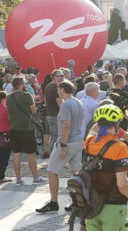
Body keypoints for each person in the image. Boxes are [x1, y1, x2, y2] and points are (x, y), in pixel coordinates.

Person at [83, 105, 128, 231]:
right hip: (113, 205)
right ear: (117, 125)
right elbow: (122, 184)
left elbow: (93, 131)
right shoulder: (119, 147)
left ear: (98, 123)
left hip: (91, 204)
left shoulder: (89, 141)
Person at [37, 80, 84, 214]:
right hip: (78, 141)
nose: (57, 91)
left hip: (67, 142)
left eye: (58, 89)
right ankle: (78, 202)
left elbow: (66, 126)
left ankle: (53, 202)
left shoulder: (65, 105)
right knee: (76, 172)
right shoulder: (78, 102)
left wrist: (63, 145)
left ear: (62, 89)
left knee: (52, 171)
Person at [7, 76, 43, 185]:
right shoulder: (26, 95)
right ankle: (36, 178)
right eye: (24, 83)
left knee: (16, 153)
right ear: (21, 84)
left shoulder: (9, 97)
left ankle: (18, 179)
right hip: (26, 128)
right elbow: (34, 111)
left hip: (13, 128)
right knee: (31, 153)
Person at [43, 69, 64, 158]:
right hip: (55, 115)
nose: (61, 77)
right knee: (55, 138)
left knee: (52, 136)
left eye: (62, 76)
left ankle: (51, 154)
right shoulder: (55, 87)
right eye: (59, 76)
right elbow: (60, 103)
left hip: (50, 114)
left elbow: (45, 101)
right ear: (54, 77)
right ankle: (53, 156)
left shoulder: (48, 86)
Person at [0, 91, 12, 183]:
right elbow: (10, 121)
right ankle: (0, 177)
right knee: (4, 156)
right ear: (4, 98)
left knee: (0, 155)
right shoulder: (5, 108)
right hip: (3, 134)